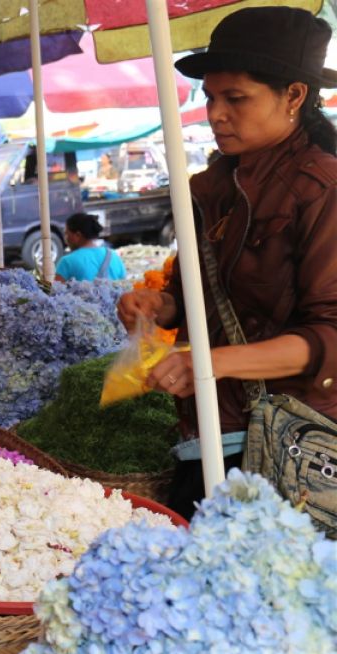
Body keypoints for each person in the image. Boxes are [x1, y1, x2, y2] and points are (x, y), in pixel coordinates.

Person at [116, 6, 337, 521]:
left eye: (235, 99)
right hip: (208, 430)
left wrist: (210, 364)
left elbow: (331, 336)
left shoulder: (322, 189)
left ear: (294, 96)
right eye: (211, 97)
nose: (215, 114)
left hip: (291, 443)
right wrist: (159, 305)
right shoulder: (208, 188)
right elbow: (192, 298)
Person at [55, 212, 126, 281]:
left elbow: (52, 290)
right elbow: (124, 285)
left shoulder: (67, 261)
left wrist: (44, 281)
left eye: (67, 234)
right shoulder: (113, 255)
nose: (65, 239)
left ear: (77, 235)